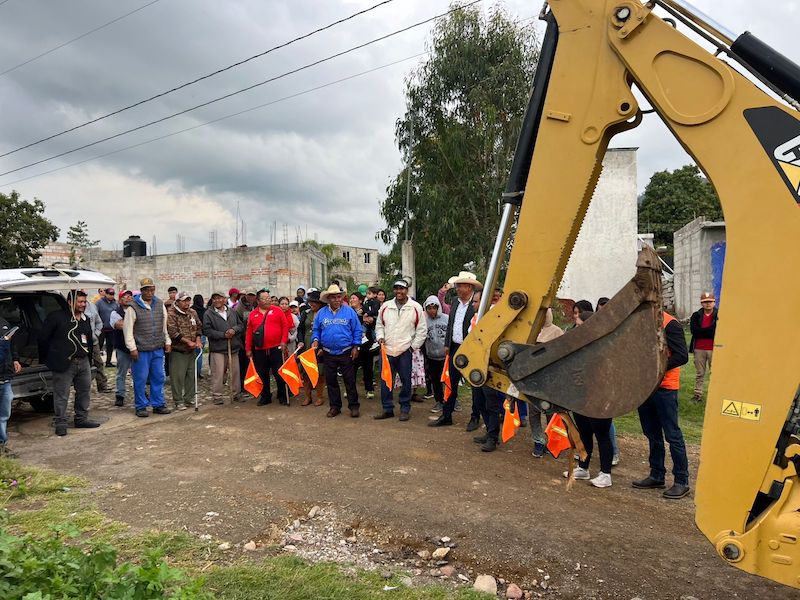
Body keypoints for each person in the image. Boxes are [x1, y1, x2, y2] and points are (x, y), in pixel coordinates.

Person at [633, 310, 690, 499]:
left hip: (665, 388)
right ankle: (657, 474)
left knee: (672, 435)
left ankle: (682, 481)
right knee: (652, 433)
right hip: (645, 388)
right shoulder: (641, 322)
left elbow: (682, 355)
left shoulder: (670, 324)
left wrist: (656, 368)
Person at [38, 290, 101, 436]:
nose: (83, 305)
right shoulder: (56, 317)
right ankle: (60, 422)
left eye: (84, 302)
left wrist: (89, 358)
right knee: (62, 394)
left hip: (83, 361)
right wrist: (50, 358)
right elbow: (43, 339)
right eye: (80, 302)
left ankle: (81, 419)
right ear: (70, 302)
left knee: (84, 391)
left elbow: (89, 340)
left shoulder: (85, 319)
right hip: (63, 363)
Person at [564, 311, 615, 487]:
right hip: (582, 395)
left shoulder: (603, 343)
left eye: (579, 324)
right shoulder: (579, 343)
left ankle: (606, 474)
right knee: (584, 431)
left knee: (602, 435)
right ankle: (583, 467)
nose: (577, 327)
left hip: (600, 396)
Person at [429, 272, 481, 428]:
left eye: (460, 286)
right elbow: (451, 324)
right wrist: (447, 344)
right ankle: (447, 415)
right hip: (454, 348)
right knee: (451, 382)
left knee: (475, 384)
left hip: (471, 351)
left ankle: (475, 417)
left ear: (469, 287)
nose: (457, 288)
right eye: (457, 285)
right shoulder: (455, 302)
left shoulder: (478, 304)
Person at [374, 280, 427, 422]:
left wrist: (413, 347)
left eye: (402, 289)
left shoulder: (415, 307)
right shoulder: (386, 306)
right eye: (396, 289)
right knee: (386, 381)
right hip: (387, 350)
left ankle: (404, 409)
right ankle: (387, 408)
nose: (399, 292)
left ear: (407, 290)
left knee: (406, 381)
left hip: (405, 350)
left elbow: (422, 330)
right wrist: (380, 338)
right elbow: (379, 325)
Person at [123, 278, 172, 418]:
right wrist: (132, 348)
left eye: (151, 289)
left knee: (159, 377)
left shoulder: (160, 304)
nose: (149, 292)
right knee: (140, 379)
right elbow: (128, 330)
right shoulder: (133, 307)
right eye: (146, 289)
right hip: (141, 349)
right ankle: (141, 406)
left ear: (154, 289)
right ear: (142, 290)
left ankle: (158, 404)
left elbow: (164, 325)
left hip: (157, 347)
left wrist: (167, 341)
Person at [312, 285, 362, 418]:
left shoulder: (350, 312)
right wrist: (316, 339)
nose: (336, 299)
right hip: (328, 353)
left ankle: (354, 406)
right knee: (331, 381)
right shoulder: (321, 313)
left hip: (346, 352)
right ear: (328, 299)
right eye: (333, 297)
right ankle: (335, 407)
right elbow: (316, 329)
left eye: (338, 296)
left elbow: (357, 330)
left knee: (349, 381)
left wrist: (356, 346)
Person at [529, 308, 563, 457]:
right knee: (533, 411)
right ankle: (538, 441)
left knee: (550, 411)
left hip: (550, 378)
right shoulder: (529, 330)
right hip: (532, 377)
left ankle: (551, 441)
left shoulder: (557, 332)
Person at [245, 290, 288, 406]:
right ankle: (265, 396)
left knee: (279, 373)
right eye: (264, 298)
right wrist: (248, 348)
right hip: (260, 350)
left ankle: (282, 395)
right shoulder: (253, 314)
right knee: (262, 374)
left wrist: (284, 341)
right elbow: (249, 333)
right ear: (258, 301)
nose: (268, 300)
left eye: (268, 297)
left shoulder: (277, 310)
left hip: (276, 348)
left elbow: (285, 326)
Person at [204, 291, 244, 405]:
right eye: (214, 298)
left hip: (233, 347)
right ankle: (217, 396)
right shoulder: (209, 314)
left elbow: (240, 325)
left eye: (219, 298)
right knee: (218, 373)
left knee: (235, 372)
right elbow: (207, 331)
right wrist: (223, 335)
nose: (217, 300)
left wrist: (234, 330)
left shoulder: (232, 311)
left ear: (224, 299)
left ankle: (236, 393)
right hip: (218, 348)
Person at [166, 292, 202, 411]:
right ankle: (178, 400)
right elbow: (173, 332)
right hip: (178, 349)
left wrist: (197, 339)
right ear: (177, 302)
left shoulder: (192, 312)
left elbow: (199, 326)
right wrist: (188, 342)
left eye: (188, 300)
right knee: (178, 376)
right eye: (183, 301)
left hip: (191, 350)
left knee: (191, 375)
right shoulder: (171, 313)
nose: (186, 303)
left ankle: (189, 398)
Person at [297, 289, 326, 406]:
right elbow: (300, 329)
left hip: (320, 345)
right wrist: (300, 341)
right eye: (311, 302)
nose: (312, 304)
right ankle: (308, 397)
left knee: (319, 371)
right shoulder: (306, 313)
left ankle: (319, 396)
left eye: (315, 302)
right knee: (305, 372)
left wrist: (322, 347)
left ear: (320, 303)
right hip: (306, 345)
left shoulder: (325, 314)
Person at [689, 291, 718, 402]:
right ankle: (698, 394)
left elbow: (717, 332)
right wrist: (710, 330)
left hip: (714, 348)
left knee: (714, 373)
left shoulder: (718, 315)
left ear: (714, 302)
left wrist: (702, 331)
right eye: (705, 302)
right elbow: (694, 331)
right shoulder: (696, 315)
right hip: (699, 348)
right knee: (700, 373)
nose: (708, 304)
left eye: (710, 301)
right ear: (702, 303)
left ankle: (714, 395)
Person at [0, 315, 22, 456]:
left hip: (5, 378)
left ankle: (2, 445)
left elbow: (12, 344)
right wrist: (4, 343)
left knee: (4, 415)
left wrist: (15, 359)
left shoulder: (3, 322)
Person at [423, 296, 448, 412]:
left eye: (434, 308)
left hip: (445, 356)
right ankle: (439, 401)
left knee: (448, 380)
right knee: (435, 380)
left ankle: (452, 400)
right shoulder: (424, 321)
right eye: (429, 308)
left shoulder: (446, 319)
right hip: (432, 356)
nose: (432, 310)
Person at [109, 290, 134, 407]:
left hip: (136, 347)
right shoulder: (115, 313)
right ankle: (120, 395)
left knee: (139, 372)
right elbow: (119, 325)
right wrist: (133, 323)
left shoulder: (135, 311)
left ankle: (141, 391)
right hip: (122, 347)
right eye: (125, 296)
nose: (128, 298)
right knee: (121, 373)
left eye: (130, 296)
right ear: (120, 300)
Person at [349, 292, 376, 399]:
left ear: (360, 300)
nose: (351, 300)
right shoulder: (347, 311)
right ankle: (350, 389)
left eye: (354, 298)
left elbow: (372, 322)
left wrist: (370, 319)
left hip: (366, 343)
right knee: (352, 367)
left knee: (367, 367)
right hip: (352, 343)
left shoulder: (366, 310)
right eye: (350, 298)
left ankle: (369, 389)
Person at [84, 297, 111, 393]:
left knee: (98, 362)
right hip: (79, 343)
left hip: (93, 342)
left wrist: (95, 334)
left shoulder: (92, 306)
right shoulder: (70, 308)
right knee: (83, 365)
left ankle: (102, 385)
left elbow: (99, 322)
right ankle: (83, 388)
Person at [95, 288, 118, 367]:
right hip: (101, 328)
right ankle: (96, 362)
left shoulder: (115, 303)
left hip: (111, 328)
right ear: (106, 294)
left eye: (113, 294)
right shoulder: (99, 303)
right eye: (110, 294)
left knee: (110, 345)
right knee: (99, 345)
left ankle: (108, 362)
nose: (111, 296)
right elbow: (96, 314)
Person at [192, 294, 207, 378]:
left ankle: (192, 372)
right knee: (200, 354)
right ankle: (198, 372)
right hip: (202, 334)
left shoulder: (191, 310)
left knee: (193, 354)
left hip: (193, 335)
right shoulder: (204, 311)